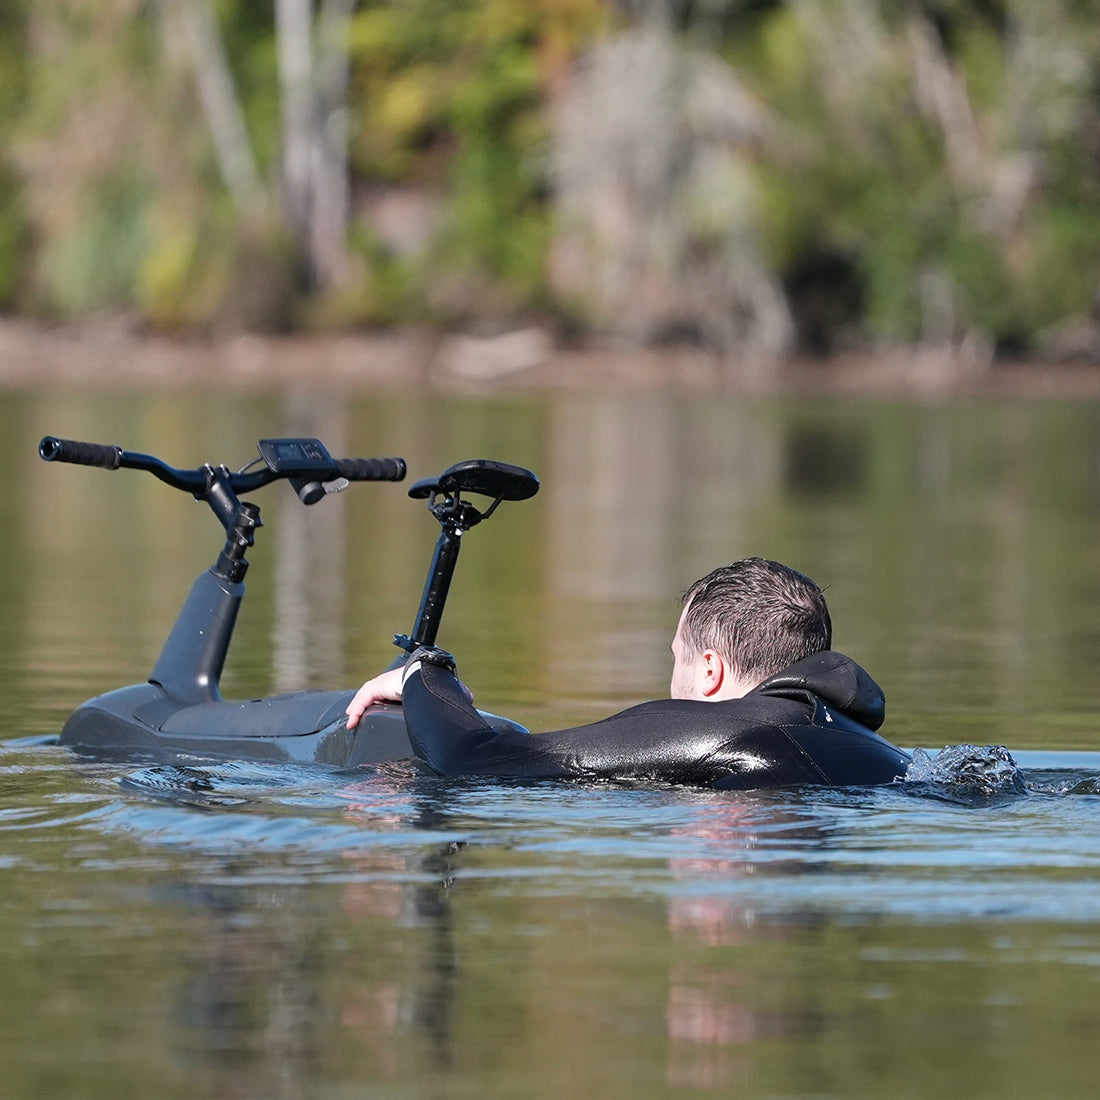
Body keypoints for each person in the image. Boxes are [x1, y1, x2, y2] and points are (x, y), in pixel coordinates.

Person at [346, 557, 911, 790]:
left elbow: (472, 762)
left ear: (710, 671)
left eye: (677, 657)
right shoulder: (868, 748)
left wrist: (425, 674)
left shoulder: (705, 731)